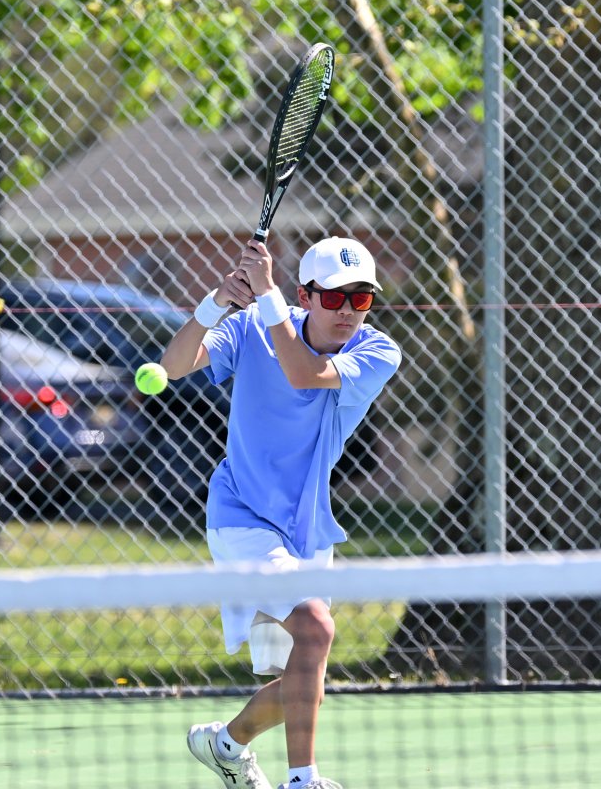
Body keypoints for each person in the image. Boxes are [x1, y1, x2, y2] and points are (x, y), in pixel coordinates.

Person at [160, 235, 401, 789]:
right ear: (306, 295)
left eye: (360, 299)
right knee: (316, 630)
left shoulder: (377, 352)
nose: (347, 312)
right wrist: (215, 303)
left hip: (306, 526)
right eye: (335, 298)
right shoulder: (249, 328)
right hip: (240, 513)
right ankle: (304, 780)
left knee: (301, 676)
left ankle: (224, 745)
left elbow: (304, 373)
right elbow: (173, 367)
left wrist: (265, 296)